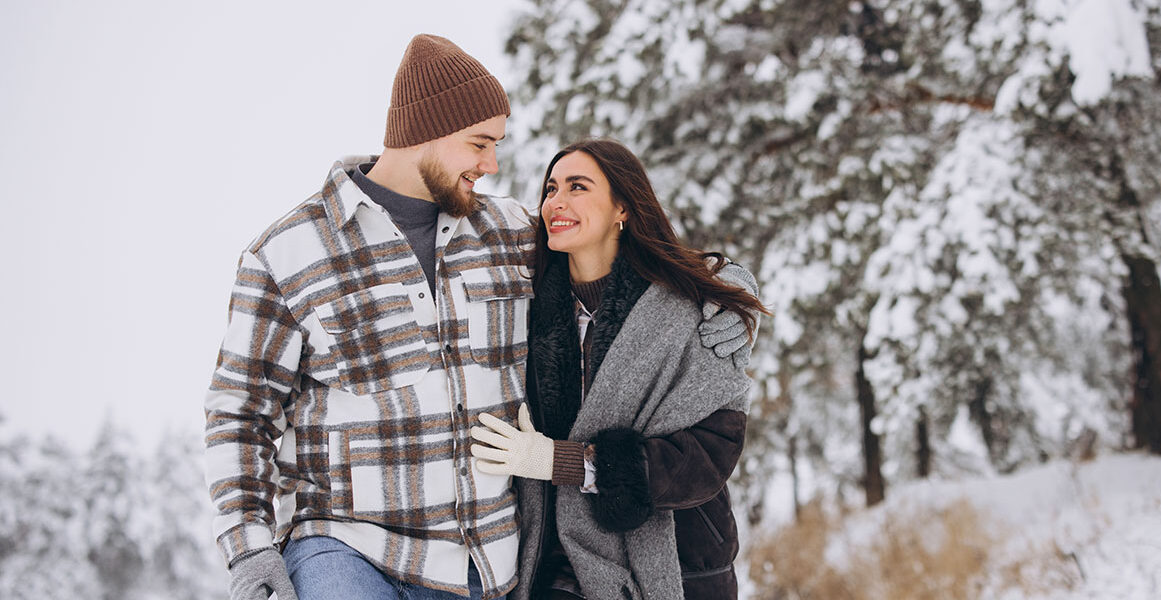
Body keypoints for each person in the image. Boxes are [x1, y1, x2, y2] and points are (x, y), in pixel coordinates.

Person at [204, 36, 757, 600]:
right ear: (427, 133)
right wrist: (249, 547)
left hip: (484, 564)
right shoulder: (289, 254)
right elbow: (239, 413)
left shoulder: (510, 234)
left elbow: (623, 254)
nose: (491, 164)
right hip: (349, 549)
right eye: (480, 143)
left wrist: (727, 289)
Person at [470, 139, 767, 600]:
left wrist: (558, 461)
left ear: (622, 207)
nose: (556, 202)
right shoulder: (529, 312)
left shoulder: (691, 311)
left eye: (578, 186)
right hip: (559, 565)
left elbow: (713, 452)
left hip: (678, 564)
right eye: (550, 189)